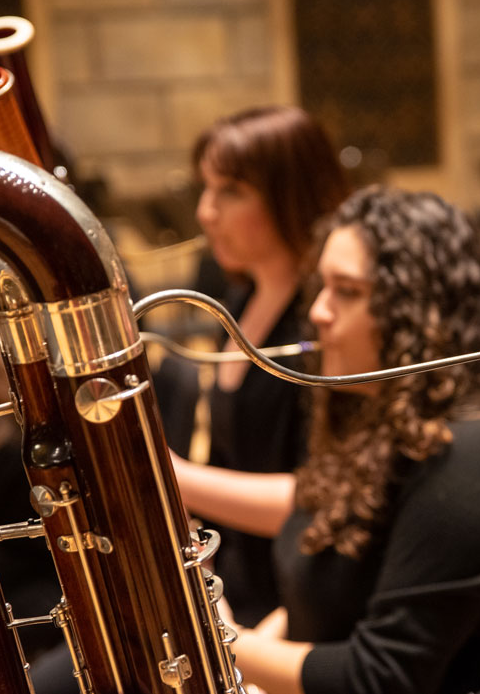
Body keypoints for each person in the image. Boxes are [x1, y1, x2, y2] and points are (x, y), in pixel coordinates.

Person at [211, 186, 480, 694]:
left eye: (348, 291)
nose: (318, 311)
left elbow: (382, 677)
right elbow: (326, 583)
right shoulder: (390, 422)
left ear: (416, 313)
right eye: (322, 286)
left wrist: (224, 644)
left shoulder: (477, 456)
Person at [162, 105, 351, 627]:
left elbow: (328, 496)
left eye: (230, 192)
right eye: (205, 189)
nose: (205, 213)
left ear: (291, 197)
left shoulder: (326, 321)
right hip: (235, 589)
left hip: (296, 606)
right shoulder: (239, 302)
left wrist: (170, 479)